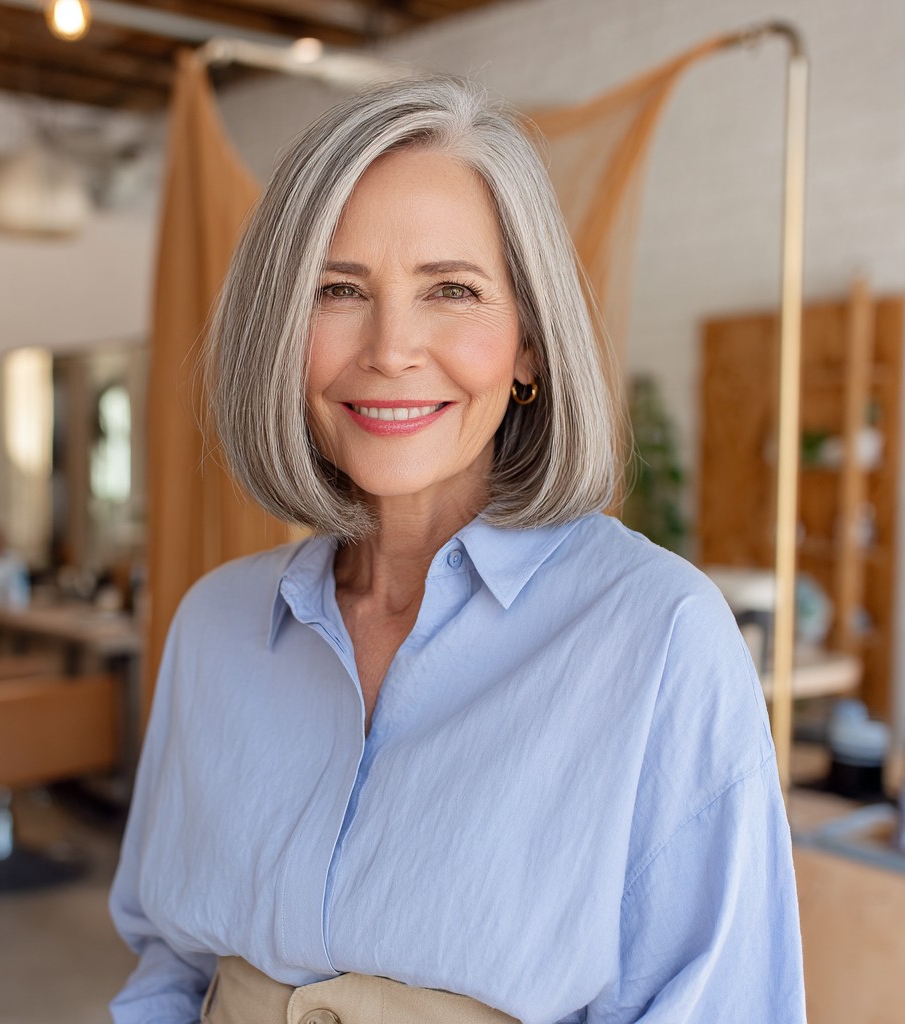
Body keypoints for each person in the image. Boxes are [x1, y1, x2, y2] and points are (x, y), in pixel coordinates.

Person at [109, 76, 806, 1024]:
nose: (392, 348)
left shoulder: (660, 638)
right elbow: (168, 963)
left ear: (527, 343)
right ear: (282, 333)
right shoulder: (214, 626)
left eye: (452, 290)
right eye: (338, 290)